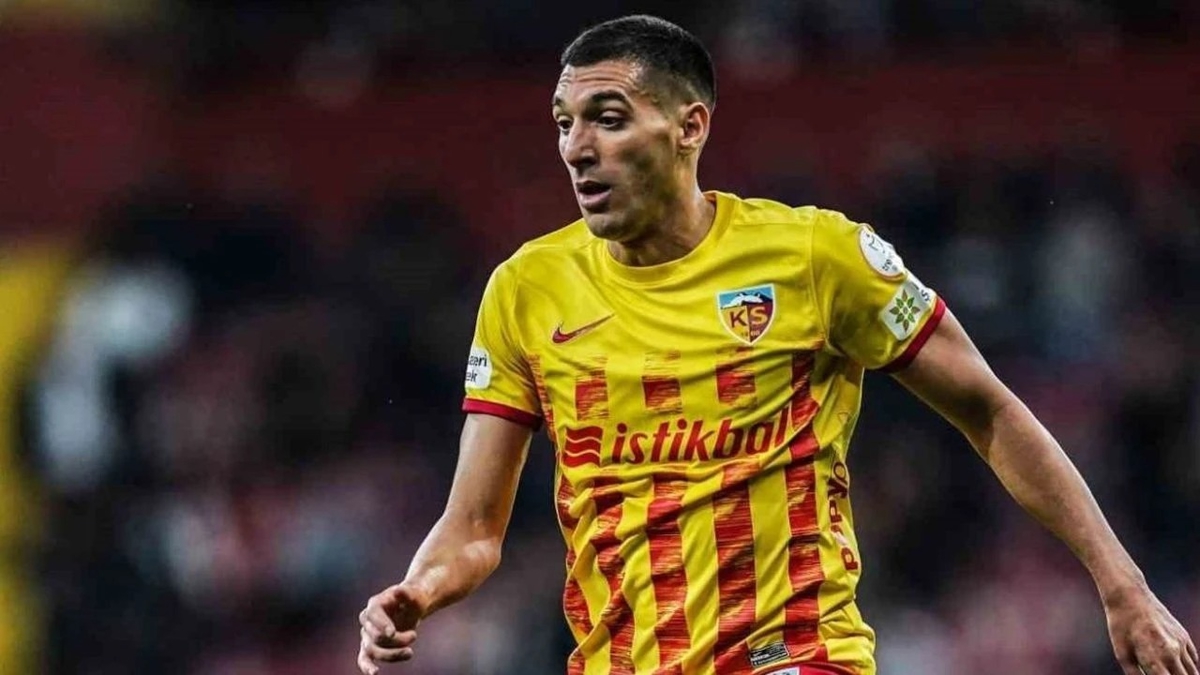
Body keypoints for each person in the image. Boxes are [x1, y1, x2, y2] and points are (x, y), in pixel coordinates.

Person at [357, 14, 1197, 675]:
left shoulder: (815, 258)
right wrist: (419, 588)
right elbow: (474, 526)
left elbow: (990, 411)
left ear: (690, 126)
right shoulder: (525, 289)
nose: (577, 147)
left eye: (608, 120)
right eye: (564, 122)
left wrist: (1122, 585)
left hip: (796, 654)